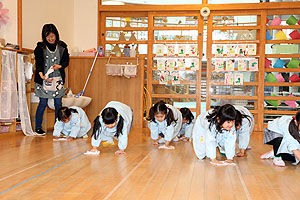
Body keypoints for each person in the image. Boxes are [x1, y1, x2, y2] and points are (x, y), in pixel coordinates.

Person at [34, 23, 69, 135]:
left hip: (57, 79)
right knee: (42, 103)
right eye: (48, 37)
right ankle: (38, 127)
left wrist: (59, 66)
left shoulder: (62, 46)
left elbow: (66, 61)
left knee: (58, 104)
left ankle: (57, 128)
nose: (50, 39)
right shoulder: (40, 47)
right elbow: (38, 62)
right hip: (44, 78)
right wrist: (41, 74)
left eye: (52, 36)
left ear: (56, 35)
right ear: (44, 37)